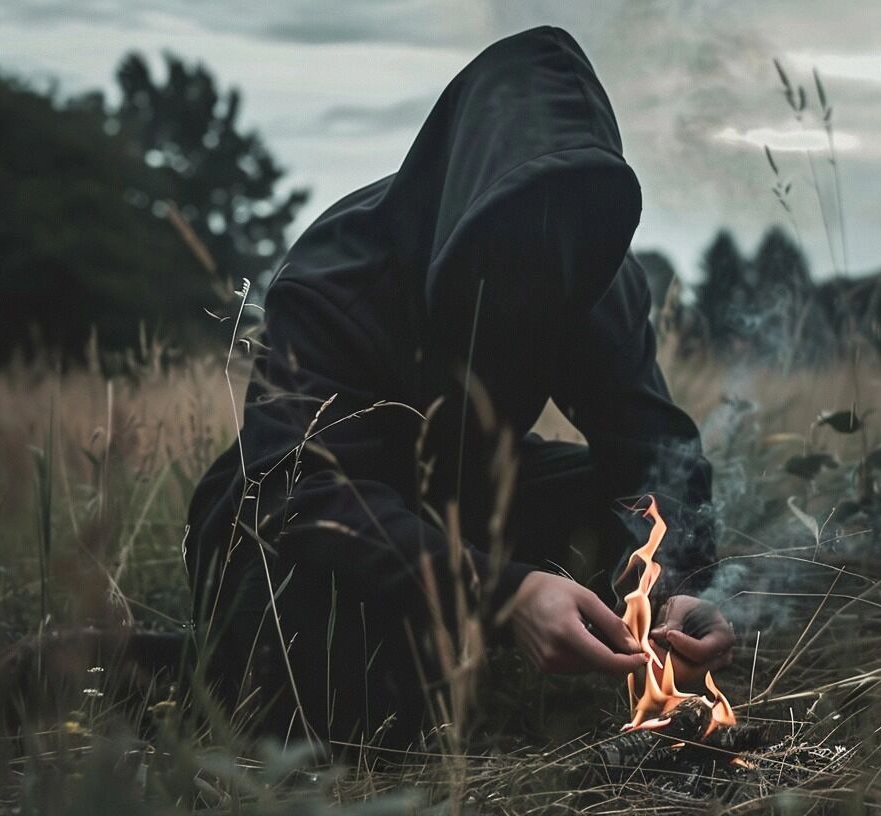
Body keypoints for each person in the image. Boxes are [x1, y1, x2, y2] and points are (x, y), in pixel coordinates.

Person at [184, 25, 732, 748]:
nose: (549, 266)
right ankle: (170, 670)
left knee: (608, 500)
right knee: (345, 725)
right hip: (306, 521)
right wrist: (502, 595)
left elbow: (651, 454)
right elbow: (302, 490)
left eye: (573, 230)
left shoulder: (592, 271)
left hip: (469, 495)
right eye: (521, 229)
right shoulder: (336, 277)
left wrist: (682, 583)